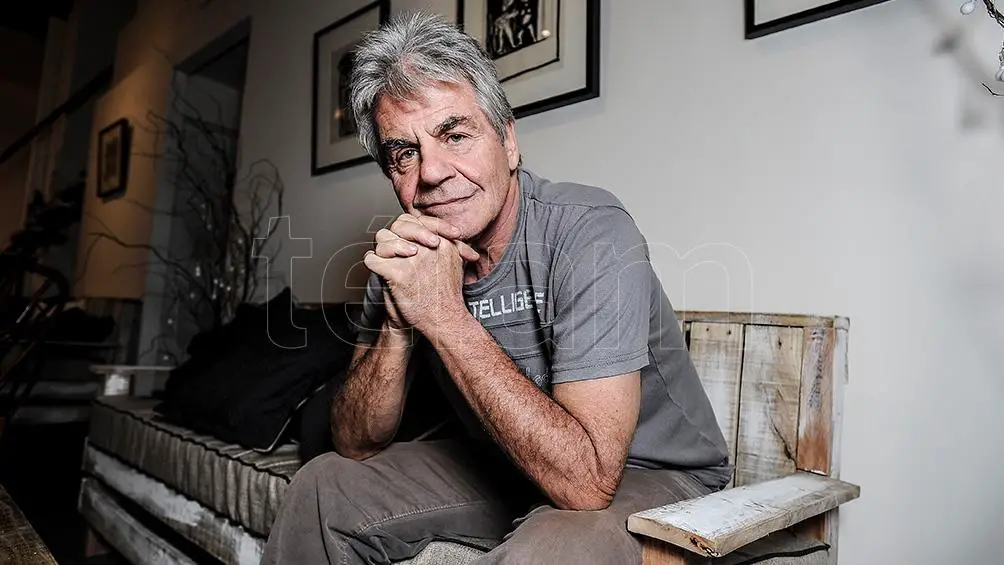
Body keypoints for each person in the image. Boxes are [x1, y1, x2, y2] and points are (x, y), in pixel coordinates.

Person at [261, 11, 731, 565]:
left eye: (455, 135)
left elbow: (587, 482)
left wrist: (443, 316)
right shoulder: (408, 255)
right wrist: (397, 321)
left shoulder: (590, 230)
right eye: (404, 153)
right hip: (504, 460)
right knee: (323, 487)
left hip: (648, 472)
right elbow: (355, 442)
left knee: (553, 547)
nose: (431, 172)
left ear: (508, 142)